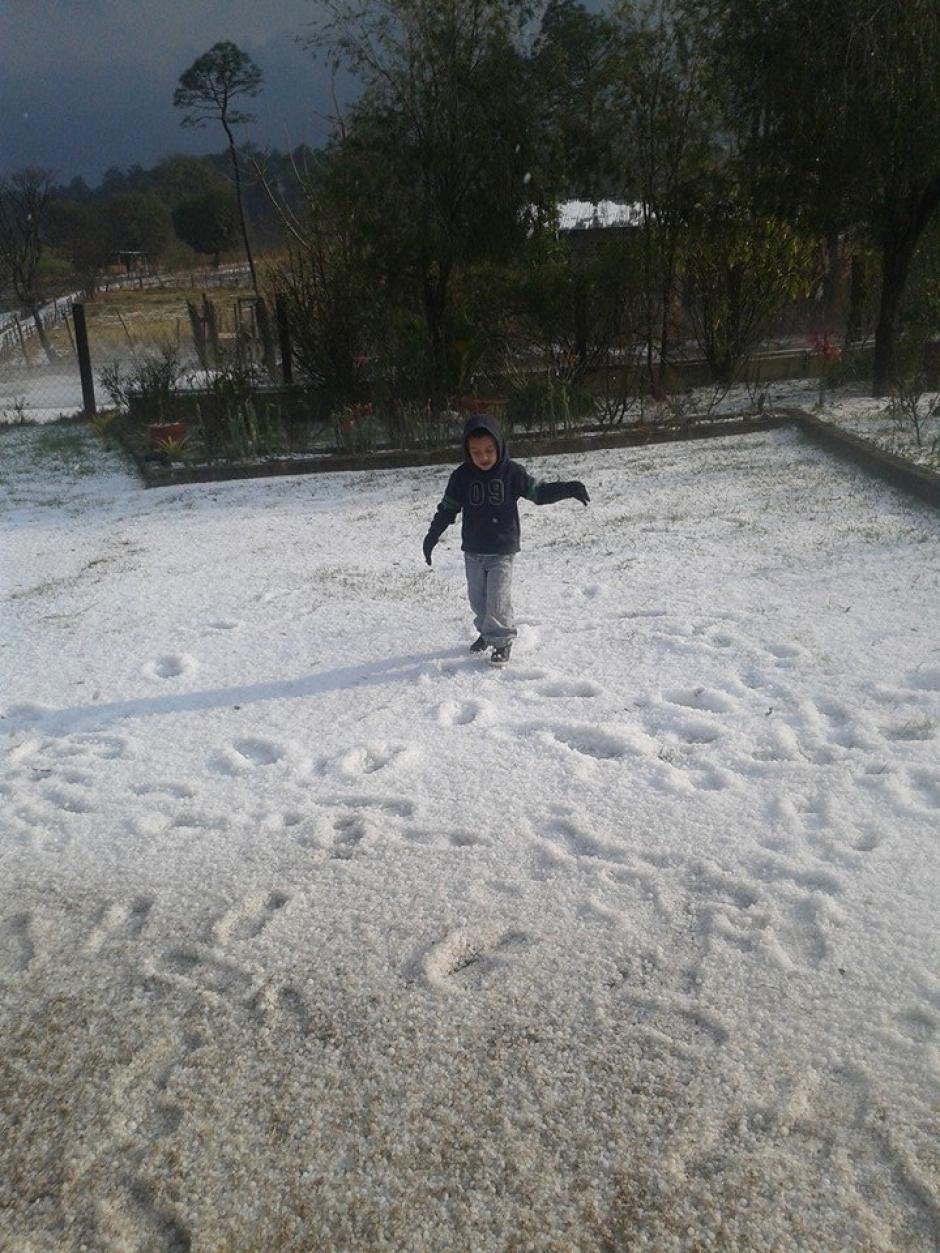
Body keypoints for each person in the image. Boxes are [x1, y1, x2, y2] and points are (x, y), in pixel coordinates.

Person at [422, 413, 590, 665]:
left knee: (497, 600)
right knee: (478, 600)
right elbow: (447, 508)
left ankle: (502, 641)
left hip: (502, 550)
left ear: (499, 445)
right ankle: (486, 634)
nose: (484, 457)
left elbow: (539, 493)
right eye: (476, 452)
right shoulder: (461, 477)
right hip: (473, 551)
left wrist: (570, 488)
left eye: (489, 450)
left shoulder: (511, 473)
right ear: (467, 452)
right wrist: (432, 536)